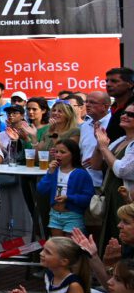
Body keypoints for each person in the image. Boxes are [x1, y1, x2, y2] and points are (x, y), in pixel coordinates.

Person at [94, 103, 134, 251]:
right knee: (110, 239)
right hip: (111, 198)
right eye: (124, 112)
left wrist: (104, 147)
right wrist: (98, 143)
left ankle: (122, 272)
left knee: (124, 242)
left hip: (125, 200)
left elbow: (122, 170)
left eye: (131, 115)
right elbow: (96, 164)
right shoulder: (120, 140)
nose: (125, 116)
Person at [38, 139, 94, 237]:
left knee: (69, 248)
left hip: (73, 216)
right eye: (56, 152)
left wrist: (68, 198)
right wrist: (50, 173)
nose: (58, 155)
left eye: (62, 152)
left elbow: (88, 197)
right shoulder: (54, 171)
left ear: (73, 155)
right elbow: (41, 190)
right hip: (54, 215)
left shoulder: (81, 173)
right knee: (57, 247)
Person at [105, 68, 134, 142]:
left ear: (130, 84)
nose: (108, 84)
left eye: (114, 81)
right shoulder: (113, 106)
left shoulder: (132, 106)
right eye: (107, 81)